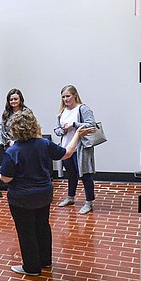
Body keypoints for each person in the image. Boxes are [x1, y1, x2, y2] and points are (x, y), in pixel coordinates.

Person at [0, 110, 94, 276]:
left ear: (14, 130)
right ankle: (45, 261)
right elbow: (67, 153)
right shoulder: (44, 144)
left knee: (26, 231)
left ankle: (32, 268)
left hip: (22, 198)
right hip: (44, 195)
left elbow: (5, 178)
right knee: (42, 226)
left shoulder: (13, 151)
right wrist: (77, 135)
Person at [53, 85, 97, 214]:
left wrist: (74, 124)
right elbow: (57, 129)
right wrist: (62, 130)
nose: (66, 99)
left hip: (81, 148)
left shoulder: (82, 109)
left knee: (85, 175)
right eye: (63, 97)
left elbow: (91, 125)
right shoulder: (62, 112)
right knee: (71, 174)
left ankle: (89, 202)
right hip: (66, 148)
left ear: (75, 95)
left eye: (68, 96)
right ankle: (70, 197)